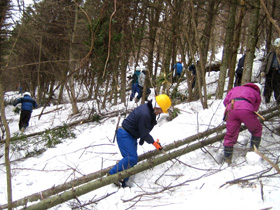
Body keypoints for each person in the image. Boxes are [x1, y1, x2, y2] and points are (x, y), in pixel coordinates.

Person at [108, 94, 172, 187]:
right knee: (131, 158)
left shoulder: (149, 110)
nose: (161, 112)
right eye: (161, 110)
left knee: (133, 159)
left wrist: (143, 138)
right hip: (125, 135)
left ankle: (123, 179)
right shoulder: (145, 113)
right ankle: (112, 175)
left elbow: (143, 128)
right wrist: (153, 143)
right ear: (156, 107)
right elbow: (144, 131)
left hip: (131, 135)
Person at [222, 83, 262, 164]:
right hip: (245, 109)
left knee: (230, 135)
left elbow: (225, 101)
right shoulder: (256, 93)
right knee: (257, 129)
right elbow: (255, 108)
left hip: (231, 109)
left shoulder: (236, 88)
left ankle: (227, 159)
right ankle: (253, 151)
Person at [260, 38, 280, 105]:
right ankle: (266, 102)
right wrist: (263, 71)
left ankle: (278, 103)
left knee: (277, 89)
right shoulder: (271, 54)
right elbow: (265, 63)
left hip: (278, 73)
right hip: (270, 72)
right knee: (268, 88)